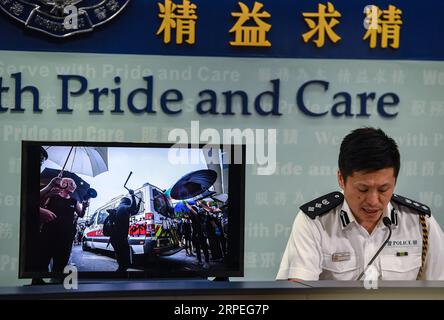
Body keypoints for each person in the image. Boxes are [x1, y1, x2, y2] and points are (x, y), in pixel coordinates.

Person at [276, 127, 444, 281]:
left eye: (383, 189)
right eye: (363, 189)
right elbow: (299, 292)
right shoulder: (315, 222)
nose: (373, 201)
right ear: (341, 179)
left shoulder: (420, 222)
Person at [38, 177, 89, 273]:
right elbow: (40, 206)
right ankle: (39, 283)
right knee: (43, 260)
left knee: (61, 263)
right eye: (70, 182)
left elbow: (81, 214)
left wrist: (85, 207)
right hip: (49, 234)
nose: (73, 185)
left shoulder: (74, 201)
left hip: (66, 237)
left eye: (73, 183)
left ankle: (57, 281)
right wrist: (47, 193)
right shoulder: (52, 196)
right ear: (62, 183)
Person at [110, 190, 140, 272]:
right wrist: (133, 195)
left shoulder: (120, 208)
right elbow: (132, 208)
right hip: (119, 237)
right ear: (127, 202)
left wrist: (139, 202)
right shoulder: (123, 208)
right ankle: (121, 271)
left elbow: (134, 211)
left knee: (122, 254)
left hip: (116, 237)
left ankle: (122, 268)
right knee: (123, 254)